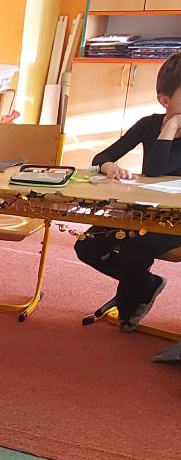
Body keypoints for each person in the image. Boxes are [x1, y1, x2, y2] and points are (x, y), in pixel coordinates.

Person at [75, 54, 181, 330]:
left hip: (176, 220)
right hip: (144, 211)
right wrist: (110, 166)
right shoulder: (149, 124)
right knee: (87, 245)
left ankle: (129, 301)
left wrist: (171, 126)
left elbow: (156, 170)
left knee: (136, 245)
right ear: (164, 100)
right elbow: (101, 157)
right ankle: (145, 285)